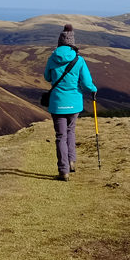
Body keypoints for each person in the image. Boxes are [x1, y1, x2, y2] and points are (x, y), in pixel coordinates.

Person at [44, 24, 96, 181]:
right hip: (74, 103)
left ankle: (63, 171)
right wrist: (93, 89)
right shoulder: (79, 60)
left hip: (57, 103)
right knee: (70, 132)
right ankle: (72, 162)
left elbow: (47, 77)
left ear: (59, 42)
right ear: (72, 42)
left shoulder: (52, 58)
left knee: (60, 136)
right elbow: (87, 83)